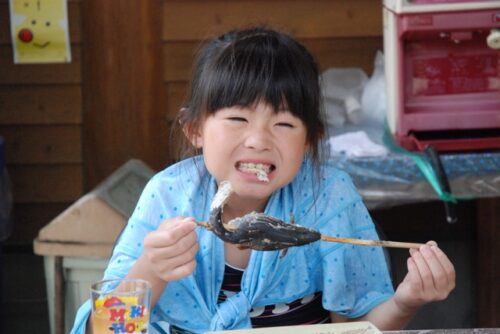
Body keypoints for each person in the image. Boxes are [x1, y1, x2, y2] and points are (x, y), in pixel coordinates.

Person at [71, 27, 455, 334]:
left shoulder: (328, 196)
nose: (258, 140)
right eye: (238, 119)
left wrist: (407, 301)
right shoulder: (168, 196)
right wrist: (151, 269)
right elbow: (107, 330)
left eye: (284, 124)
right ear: (195, 130)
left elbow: (358, 329)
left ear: (309, 141)